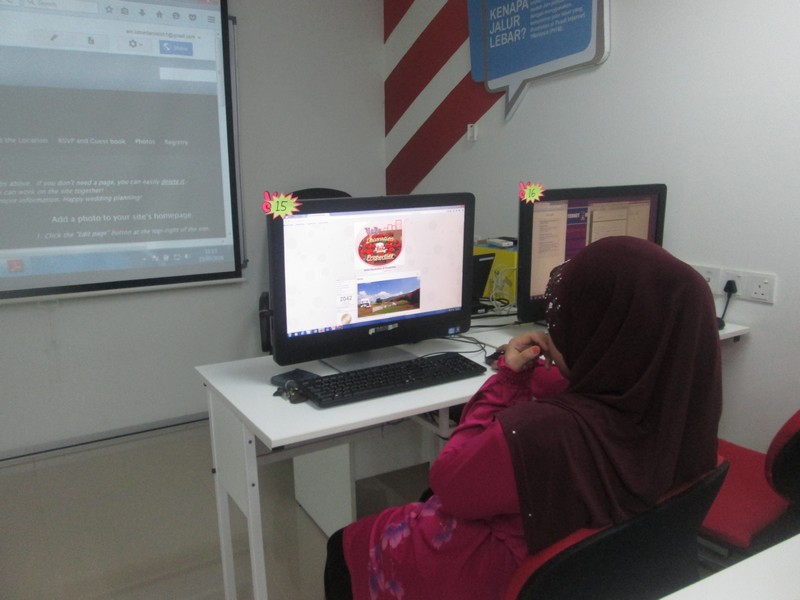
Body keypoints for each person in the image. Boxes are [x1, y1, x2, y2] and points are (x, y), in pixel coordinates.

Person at [324, 236, 722, 600]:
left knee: (344, 543)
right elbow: (575, 389)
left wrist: (506, 381)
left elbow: (448, 481)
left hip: (497, 571)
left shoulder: (541, 433)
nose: (556, 331)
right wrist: (545, 374)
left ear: (602, 336)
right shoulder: (681, 403)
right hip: (600, 573)